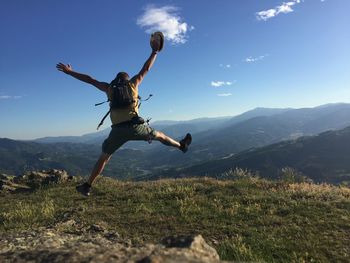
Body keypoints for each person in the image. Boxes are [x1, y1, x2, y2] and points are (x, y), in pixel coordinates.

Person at [56, 44, 192, 196]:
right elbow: (146, 68)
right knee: (160, 136)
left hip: (117, 131)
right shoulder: (133, 84)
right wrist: (154, 52)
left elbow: (90, 80)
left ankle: (87, 186)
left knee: (104, 158)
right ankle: (181, 146)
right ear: (128, 79)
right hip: (136, 127)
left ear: (115, 80)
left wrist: (70, 72)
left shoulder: (109, 88)